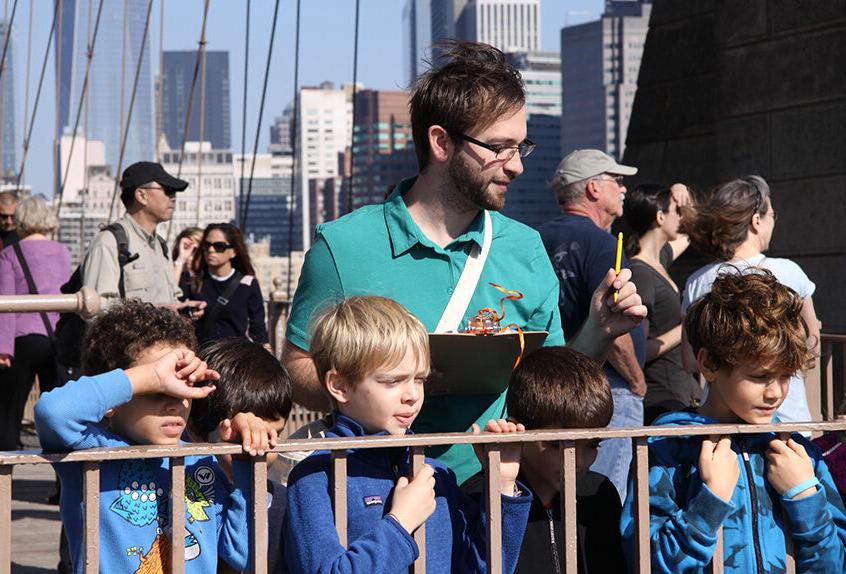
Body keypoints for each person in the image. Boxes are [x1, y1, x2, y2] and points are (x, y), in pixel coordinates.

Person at [282, 41, 646, 484]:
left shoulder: (525, 248)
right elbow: (297, 368)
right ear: (441, 142)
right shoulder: (343, 246)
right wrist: (384, 386)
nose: (516, 167)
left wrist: (599, 330)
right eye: (499, 147)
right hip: (372, 494)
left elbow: (548, 388)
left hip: (496, 492)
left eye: (521, 147)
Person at [283, 296, 531, 573]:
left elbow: (486, 568)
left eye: (419, 379)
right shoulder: (314, 477)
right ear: (339, 385)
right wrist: (400, 523)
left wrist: (502, 485)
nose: (412, 395)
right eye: (392, 381)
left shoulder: (436, 475)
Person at [621, 271, 846, 573]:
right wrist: (710, 502)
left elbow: (835, 565)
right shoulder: (667, 448)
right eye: (759, 376)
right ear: (709, 363)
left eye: (785, 376)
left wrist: (805, 497)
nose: (775, 392)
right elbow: (646, 562)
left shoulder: (799, 453)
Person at [34, 300, 278, 573]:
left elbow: (241, 553)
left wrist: (244, 465)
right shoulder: (90, 451)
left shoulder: (201, 461)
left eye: (186, 387)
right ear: (113, 403)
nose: (175, 404)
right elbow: (53, 412)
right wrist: (151, 375)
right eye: (157, 391)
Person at [537, 148, 647, 503]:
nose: (624, 190)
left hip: (552, 385)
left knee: (563, 490)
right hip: (607, 386)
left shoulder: (534, 239)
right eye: (616, 181)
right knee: (604, 493)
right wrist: (635, 380)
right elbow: (612, 322)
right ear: (594, 189)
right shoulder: (602, 243)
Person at [462, 346, 626, 574]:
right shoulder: (478, 494)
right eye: (558, 445)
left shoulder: (598, 493)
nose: (578, 460)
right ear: (519, 430)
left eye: (592, 444)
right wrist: (502, 488)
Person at [681, 175, 819, 423]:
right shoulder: (790, 272)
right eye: (772, 216)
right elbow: (813, 343)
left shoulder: (697, 281)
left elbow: (690, 360)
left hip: (717, 421)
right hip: (788, 419)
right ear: (756, 221)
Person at [187, 338, 292, 574]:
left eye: (274, 435)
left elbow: (243, 557)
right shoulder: (174, 487)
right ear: (195, 428)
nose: (261, 449)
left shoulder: (281, 502)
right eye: (239, 440)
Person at [81, 161, 204, 316]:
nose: (173, 197)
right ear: (141, 195)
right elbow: (96, 310)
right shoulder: (110, 242)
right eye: (167, 190)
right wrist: (153, 310)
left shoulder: (161, 245)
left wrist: (183, 310)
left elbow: (170, 300)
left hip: (163, 339)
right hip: (129, 340)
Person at [623, 183, 701, 424]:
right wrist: (686, 328)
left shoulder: (660, 259)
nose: (680, 218)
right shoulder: (641, 273)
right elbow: (638, 349)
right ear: (660, 217)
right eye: (675, 212)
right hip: (662, 398)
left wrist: (681, 193)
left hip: (678, 391)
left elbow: (693, 228)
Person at [0, 196, 71, 450]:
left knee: (9, 412)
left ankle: (4, 481)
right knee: (58, 413)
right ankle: (62, 485)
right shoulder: (63, 252)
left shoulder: (10, 253)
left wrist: (3, 348)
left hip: (23, 339)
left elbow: (6, 304)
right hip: (56, 340)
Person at [180, 223, 269, 347]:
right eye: (207, 245)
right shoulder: (192, 280)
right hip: (201, 356)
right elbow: (176, 310)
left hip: (235, 358)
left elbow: (258, 329)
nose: (211, 250)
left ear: (233, 252)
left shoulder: (247, 284)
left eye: (219, 246)